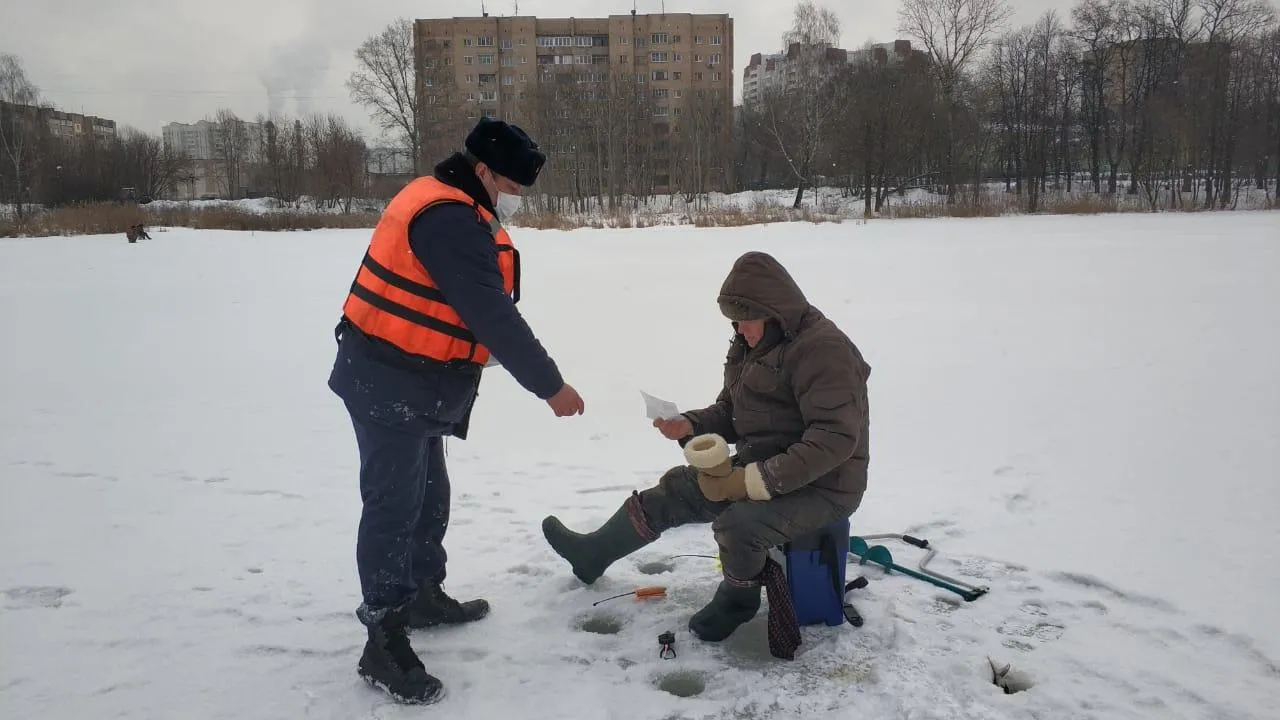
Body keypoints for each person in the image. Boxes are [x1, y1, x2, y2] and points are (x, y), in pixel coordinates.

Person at [328, 117, 585, 704]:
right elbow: (491, 314)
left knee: (429, 498)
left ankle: (422, 593)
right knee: (394, 509)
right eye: (511, 188)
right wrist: (551, 386)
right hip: (388, 381)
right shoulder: (447, 220)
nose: (513, 201)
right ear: (483, 170)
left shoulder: (455, 203)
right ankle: (384, 639)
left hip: (419, 383)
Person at [542, 250, 870, 644]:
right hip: (764, 466)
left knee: (739, 525)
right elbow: (732, 410)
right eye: (734, 321)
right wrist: (691, 424)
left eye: (745, 321)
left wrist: (751, 481)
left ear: (773, 312)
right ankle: (592, 553)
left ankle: (737, 602)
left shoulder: (823, 350)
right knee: (678, 488)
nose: (739, 330)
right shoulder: (752, 343)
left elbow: (834, 438)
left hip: (826, 486)